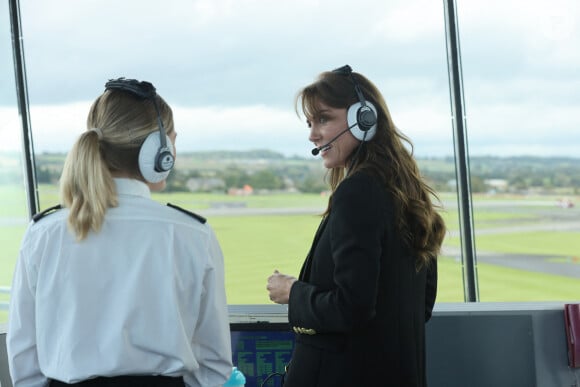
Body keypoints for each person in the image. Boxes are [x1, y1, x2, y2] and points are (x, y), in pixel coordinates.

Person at [7, 78, 232, 387]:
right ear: (159, 150)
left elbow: (24, 354)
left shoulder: (43, 233)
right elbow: (214, 363)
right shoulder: (193, 234)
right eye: (172, 140)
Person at [266, 65, 446, 387]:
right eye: (310, 123)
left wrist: (293, 292)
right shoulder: (406, 192)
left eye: (323, 119)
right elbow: (422, 306)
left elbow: (351, 308)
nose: (313, 134)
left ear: (364, 119)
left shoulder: (358, 191)